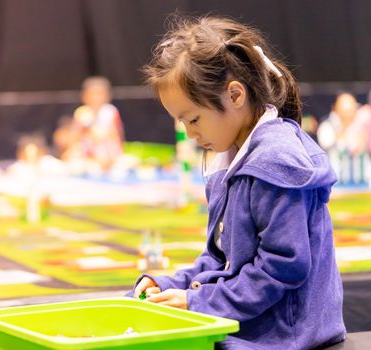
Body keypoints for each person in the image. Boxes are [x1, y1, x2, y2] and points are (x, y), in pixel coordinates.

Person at [129, 16, 345, 349]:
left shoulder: (276, 161)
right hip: (257, 320)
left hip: (288, 334)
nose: (189, 133)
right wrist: (168, 284)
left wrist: (197, 303)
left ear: (234, 95)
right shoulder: (229, 161)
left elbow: (281, 268)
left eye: (194, 118)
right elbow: (220, 262)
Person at [71, 76, 124, 172]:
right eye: (91, 94)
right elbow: (75, 138)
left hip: (109, 157)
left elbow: (115, 136)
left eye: (99, 94)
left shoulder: (110, 111)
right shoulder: (81, 113)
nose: (95, 98)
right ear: (84, 96)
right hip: (87, 158)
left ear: (108, 96)